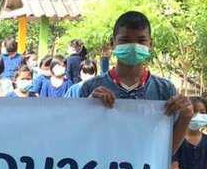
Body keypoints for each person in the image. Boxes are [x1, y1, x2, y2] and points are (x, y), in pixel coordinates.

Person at [80, 10, 194, 153]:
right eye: (125, 40)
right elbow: (79, 139)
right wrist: (88, 107)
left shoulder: (165, 90)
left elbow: (167, 152)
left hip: (145, 167)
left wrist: (186, 116)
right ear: (112, 43)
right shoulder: (91, 88)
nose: (133, 46)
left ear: (150, 44)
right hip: (102, 165)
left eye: (141, 41)